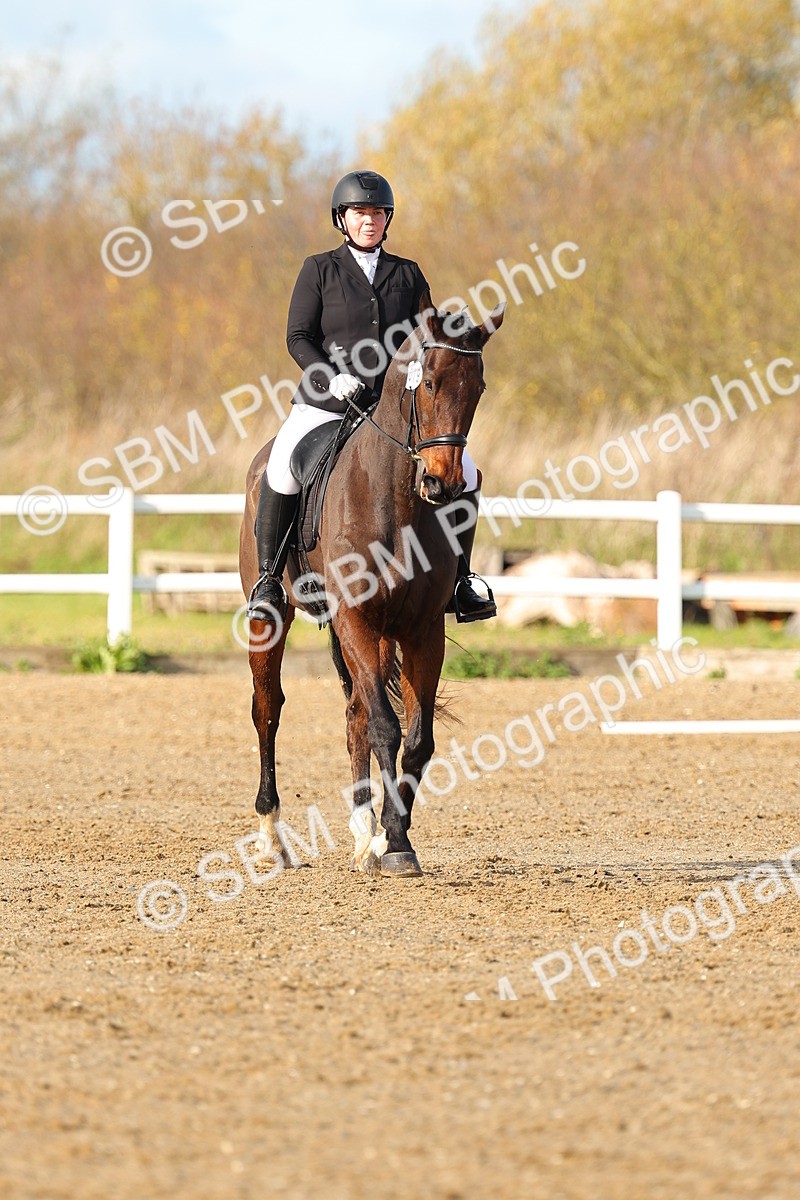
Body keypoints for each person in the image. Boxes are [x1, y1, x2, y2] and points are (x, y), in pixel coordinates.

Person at [247, 169, 496, 624]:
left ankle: (461, 580)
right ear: (342, 219)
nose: (370, 220)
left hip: (391, 414)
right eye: (360, 212)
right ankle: (268, 580)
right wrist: (327, 376)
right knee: (280, 466)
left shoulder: (408, 273)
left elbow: (428, 334)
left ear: (387, 220)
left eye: (378, 213)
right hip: (325, 406)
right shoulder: (319, 269)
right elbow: (298, 336)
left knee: (470, 472)